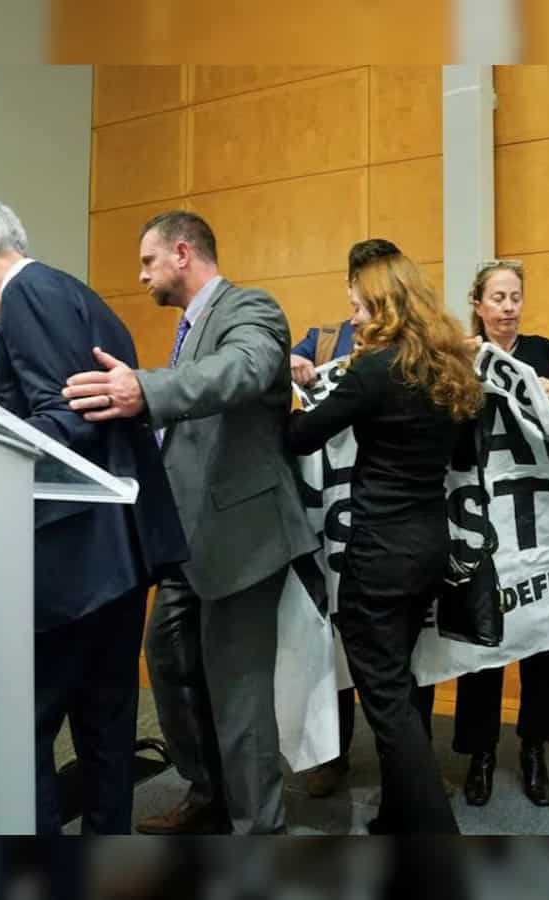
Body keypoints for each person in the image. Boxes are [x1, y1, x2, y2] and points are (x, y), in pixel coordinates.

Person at [0, 194, 188, 834]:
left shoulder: (27, 296)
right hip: (114, 560)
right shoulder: (76, 295)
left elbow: (63, 420)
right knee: (105, 731)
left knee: (27, 732)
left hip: (70, 564)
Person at [62, 210, 319, 834]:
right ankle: (208, 796)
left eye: (148, 261)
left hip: (244, 536)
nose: (141, 275)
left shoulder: (249, 309)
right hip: (188, 541)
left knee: (238, 693)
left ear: (182, 253)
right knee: (170, 664)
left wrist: (145, 390)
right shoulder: (189, 329)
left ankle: (260, 829)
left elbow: (250, 369)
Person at [284, 252, 483, 834]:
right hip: (429, 546)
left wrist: (286, 394)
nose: (355, 315)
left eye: (360, 305)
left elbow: (300, 437)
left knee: (389, 702)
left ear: (383, 305)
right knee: (402, 680)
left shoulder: (374, 371)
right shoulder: (449, 368)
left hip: (379, 554)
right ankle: (397, 815)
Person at [453, 259, 549, 809]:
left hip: (537, 518)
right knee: (485, 635)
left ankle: (534, 750)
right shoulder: (459, 355)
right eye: (497, 297)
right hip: (481, 515)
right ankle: (479, 754)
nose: (508, 306)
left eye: (515, 296)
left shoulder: (543, 351)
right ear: (477, 305)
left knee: (541, 636)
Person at [289, 239, 402, 389]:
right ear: (350, 285)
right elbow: (282, 363)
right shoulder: (327, 338)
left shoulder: (420, 340)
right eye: (364, 282)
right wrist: (292, 362)